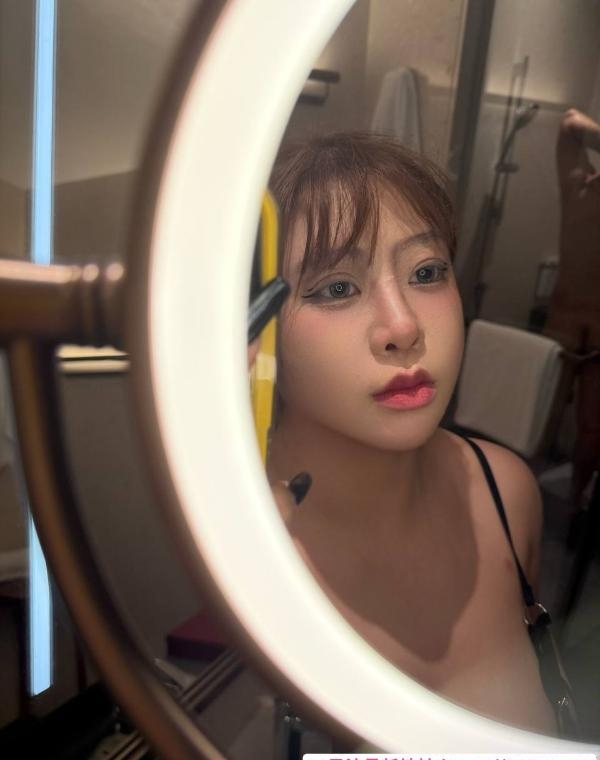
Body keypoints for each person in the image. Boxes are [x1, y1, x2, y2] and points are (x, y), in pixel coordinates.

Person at [264, 132, 556, 734]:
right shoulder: (240, 545)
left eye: (426, 272)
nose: (403, 327)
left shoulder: (507, 494)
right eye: (337, 288)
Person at [544, 109, 600, 537]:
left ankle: (577, 504)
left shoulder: (579, 185)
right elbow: (569, 124)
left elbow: (572, 127)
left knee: (590, 429)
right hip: (564, 324)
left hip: (592, 333)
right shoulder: (579, 184)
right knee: (540, 416)